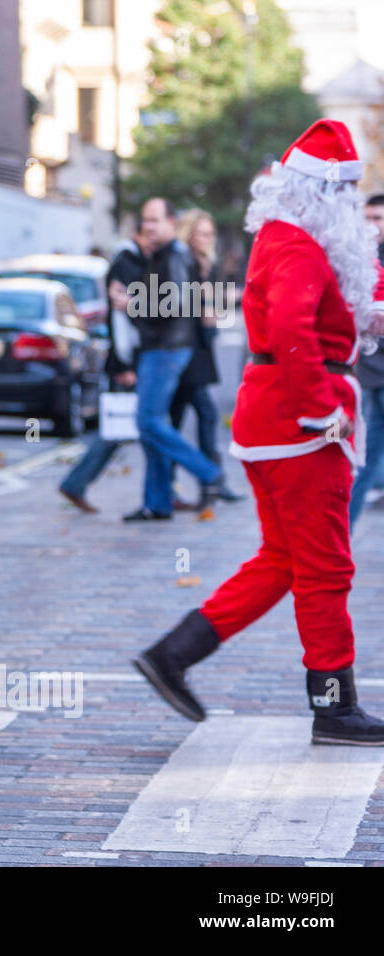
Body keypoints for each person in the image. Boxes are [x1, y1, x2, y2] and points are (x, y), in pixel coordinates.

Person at [134, 119, 384, 745]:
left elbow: (334, 305)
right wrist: (322, 406)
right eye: (346, 192)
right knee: (325, 566)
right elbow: (295, 330)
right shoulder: (298, 244)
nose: (353, 206)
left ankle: (174, 654)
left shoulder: (289, 236)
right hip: (301, 425)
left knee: (283, 559)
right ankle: (333, 704)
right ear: (324, 192)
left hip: (274, 419)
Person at [122, 198, 224, 521]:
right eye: (145, 221)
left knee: (147, 422)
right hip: (163, 347)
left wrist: (131, 303)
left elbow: (177, 303)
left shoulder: (175, 255)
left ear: (171, 222)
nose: (148, 227)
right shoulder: (165, 255)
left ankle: (208, 472)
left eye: (154, 220)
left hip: (166, 349)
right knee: (153, 427)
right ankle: (158, 502)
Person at [59, 225, 147, 512]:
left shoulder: (132, 261)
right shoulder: (126, 263)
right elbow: (119, 322)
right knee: (120, 428)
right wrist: (124, 363)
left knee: (132, 427)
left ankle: (163, 490)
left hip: (131, 360)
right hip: (126, 362)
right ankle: (75, 482)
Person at [169, 209, 243, 507]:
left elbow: (211, 308)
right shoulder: (182, 263)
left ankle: (205, 483)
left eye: (211, 234)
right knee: (201, 415)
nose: (208, 239)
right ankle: (211, 480)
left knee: (178, 419)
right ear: (189, 234)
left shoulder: (206, 265)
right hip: (185, 350)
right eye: (202, 233)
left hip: (200, 349)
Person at [347, 193, 384, 529]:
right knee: (367, 458)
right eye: (369, 218)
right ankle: (341, 532)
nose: (374, 225)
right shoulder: (357, 257)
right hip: (370, 372)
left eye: (379, 219)